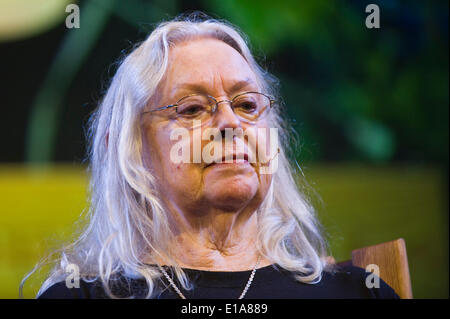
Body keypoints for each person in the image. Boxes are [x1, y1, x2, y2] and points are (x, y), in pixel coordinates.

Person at [28, 13, 398, 299]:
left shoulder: (361, 291)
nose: (230, 123)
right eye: (191, 109)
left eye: (248, 104)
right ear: (129, 149)